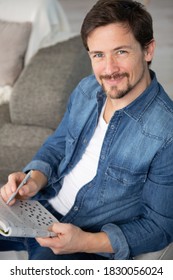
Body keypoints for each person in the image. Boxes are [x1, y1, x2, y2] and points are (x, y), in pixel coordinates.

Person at [0, 0, 173, 260]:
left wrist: (85, 241)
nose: (109, 69)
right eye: (98, 55)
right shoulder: (86, 89)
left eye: (121, 52)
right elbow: (58, 144)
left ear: (148, 50)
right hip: (39, 207)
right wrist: (33, 179)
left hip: (81, 238)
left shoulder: (166, 132)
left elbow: (159, 227)